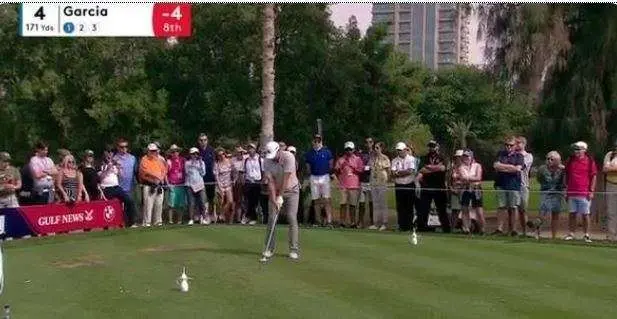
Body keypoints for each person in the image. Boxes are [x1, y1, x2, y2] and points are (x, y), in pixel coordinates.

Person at [261, 141, 301, 261]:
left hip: (292, 191)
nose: (272, 158)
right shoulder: (267, 161)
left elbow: (286, 179)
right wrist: (274, 198)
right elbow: (271, 181)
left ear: (279, 150)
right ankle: (269, 249)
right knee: (272, 218)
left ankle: (294, 249)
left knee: (291, 217)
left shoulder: (289, 157)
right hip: (277, 191)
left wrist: (281, 197)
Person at [564, 141, 597, 243]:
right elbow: (566, 174)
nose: (576, 151)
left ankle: (586, 234)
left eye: (578, 149)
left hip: (584, 192)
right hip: (571, 191)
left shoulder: (590, 161)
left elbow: (593, 176)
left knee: (585, 214)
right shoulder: (570, 160)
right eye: (575, 149)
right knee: (572, 213)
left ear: (584, 150)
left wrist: (591, 191)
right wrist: (566, 189)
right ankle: (571, 233)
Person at [493, 137, 525, 236]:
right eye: (506, 145)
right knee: (501, 206)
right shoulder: (500, 154)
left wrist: (504, 167)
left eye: (511, 145)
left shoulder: (519, 156)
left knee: (513, 207)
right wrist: (510, 167)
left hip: (514, 185)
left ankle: (514, 230)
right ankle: (499, 229)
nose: (508, 147)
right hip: (501, 184)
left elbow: (518, 169)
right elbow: (496, 166)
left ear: (515, 146)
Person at [529, 151, 565, 240]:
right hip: (546, 192)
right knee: (542, 213)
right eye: (547, 158)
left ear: (558, 160)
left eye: (551, 159)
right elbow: (539, 179)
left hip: (557, 193)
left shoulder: (562, 169)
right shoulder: (542, 169)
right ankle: (536, 232)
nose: (549, 161)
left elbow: (565, 181)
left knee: (555, 214)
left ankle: (554, 236)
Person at [417, 140, 451, 233]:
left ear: (437, 147)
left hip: (439, 186)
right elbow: (422, 170)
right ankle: (422, 228)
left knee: (442, 210)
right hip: (426, 186)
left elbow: (443, 168)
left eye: (433, 146)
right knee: (424, 209)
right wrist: (436, 168)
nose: (431, 148)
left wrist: (429, 167)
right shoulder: (424, 157)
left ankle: (446, 229)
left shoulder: (442, 157)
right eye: (430, 146)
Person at [100, 149, 138, 227]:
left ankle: (131, 223)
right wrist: (107, 169)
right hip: (106, 188)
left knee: (130, 201)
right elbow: (100, 178)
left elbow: (121, 176)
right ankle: (107, 225)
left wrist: (119, 168)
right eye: (107, 154)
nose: (109, 156)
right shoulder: (101, 165)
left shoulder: (114, 165)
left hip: (116, 187)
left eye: (111, 154)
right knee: (108, 206)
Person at [304, 134, 334, 227]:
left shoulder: (327, 152)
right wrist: (308, 178)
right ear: (312, 141)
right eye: (315, 140)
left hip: (325, 176)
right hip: (314, 177)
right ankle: (318, 221)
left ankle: (329, 221)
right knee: (316, 199)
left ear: (321, 141)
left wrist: (330, 174)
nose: (317, 142)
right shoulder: (309, 153)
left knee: (326, 199)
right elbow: (308, 167)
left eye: (318, 140)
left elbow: (331, 164)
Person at [334, 141, 364, 228]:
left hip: (354, 185)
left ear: (353, 149)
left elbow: (361, 170)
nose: (348, 151)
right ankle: (342, 222)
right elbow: (336, 170)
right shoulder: (341, 159)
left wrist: (352, 167)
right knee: (343, 204)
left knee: (353, 205)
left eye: (350, 149)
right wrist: (341, 168)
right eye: (347, 149)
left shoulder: (357, 159)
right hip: (343, 185)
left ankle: (352, 222)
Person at [139, 143, 168, 227]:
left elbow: (164, 170)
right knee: (148, 205)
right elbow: (144, 172)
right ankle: (147, 222)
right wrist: (156, 177)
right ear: (148, 151)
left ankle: (158, 221)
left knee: (159, 204)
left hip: (159, 185)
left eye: (154, 151)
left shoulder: (159, 160)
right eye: (151, 151)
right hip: (149, 185)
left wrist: (160, 179)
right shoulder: (144, 159)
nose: (153, 152)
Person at [391, 142, 417, 232]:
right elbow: (393, 174)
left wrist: (399, 173)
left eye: (400, 150)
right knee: (400, 207)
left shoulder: (411, 159)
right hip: (399, 185)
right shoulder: (394, 160)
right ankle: (401, 226)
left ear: (405, 150)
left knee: (409, 206)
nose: (399, 152)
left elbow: (410, 171)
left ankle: (409, 226)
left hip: (409, 185)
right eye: (398, 150)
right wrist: (402, 173)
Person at [458, 150, 485, 234]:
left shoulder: (477, 166)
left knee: (479, 210)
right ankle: (466, 228)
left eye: (468, 156)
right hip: (465, 189)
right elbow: (462, 178)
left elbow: (478, 177)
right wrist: (471, 178)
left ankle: (482, 229)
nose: (466, 158)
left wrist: (468, 178)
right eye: (464, 156)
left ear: (472, 157)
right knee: (464, 209)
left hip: (476, 189)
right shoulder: (461, 167)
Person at [368, 142, 390, 231]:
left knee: (383, 203)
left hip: (382, 183)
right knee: (375, 203)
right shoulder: (372, 158)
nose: (375, 149)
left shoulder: (385, 158)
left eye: (377, 148)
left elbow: (388, 170)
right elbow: (369, 168)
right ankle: (375, 223)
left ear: (381, 149)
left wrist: (387, 181)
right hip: (374, 182)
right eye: (375, 148)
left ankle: (384, 223)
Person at [516, 136, 534, 235]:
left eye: (518, 143)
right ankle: (517, 230)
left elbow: (521, 167)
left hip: (523, 185)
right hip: (513, 185)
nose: (516, 145)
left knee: (523, 209)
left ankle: (525, 231)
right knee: (514, 209)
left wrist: (510, 166)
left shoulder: (528, 156)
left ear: (523, 144)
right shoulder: (512, 155)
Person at [185, 147, 207, 225]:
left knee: (202, 202)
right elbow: (187, 172)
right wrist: (193, 164)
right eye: (193, 154)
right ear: (190, 155)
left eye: (196, 154)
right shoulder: (187, 163)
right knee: (191, 203)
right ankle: (191, 219)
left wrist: (200, 164)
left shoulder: (202, 162)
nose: (194, 155)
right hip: (190, 184)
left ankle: (204, 218)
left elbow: (203, 173)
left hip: (200, 184)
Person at [198, 133, 216, 221]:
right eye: (201, 140)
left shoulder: (211, 150)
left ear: (207, 141)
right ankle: (203, 216)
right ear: (199, 141)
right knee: (202, 199)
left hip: (211, 178)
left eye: (205, 140)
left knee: (211, 198)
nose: (203, 142)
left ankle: (211, 215)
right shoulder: (197, 152)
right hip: (200, 179)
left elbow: (214, 164)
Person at [214, 148, 235, 223]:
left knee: (230, 201)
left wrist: (234, 179)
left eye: (223, 154)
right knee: (221, 202)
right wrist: (220, 188)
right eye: (219, 155)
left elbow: (234, 171)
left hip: (228, 184)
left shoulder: (229, 162)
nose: (221, 156)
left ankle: (221, 215)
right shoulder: (216, 164)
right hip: (220, 185)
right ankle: (220, 217)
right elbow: (216, 177)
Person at [166, 144, 187, 224]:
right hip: (172, 184)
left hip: (181, 184)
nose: (175, 153)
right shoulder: (169, 161)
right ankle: (170, 220)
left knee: (181, 204)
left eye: (176, 151)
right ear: (171, 153)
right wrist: (168, 184)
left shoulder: (183, 160)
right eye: (173, 152)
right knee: (171, 204)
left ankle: (179, 220)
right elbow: (166, 174)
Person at [243, 143, 263, 226]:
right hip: (248, 182)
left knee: (254, 201)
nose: (250, 150)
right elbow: (244, 171)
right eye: (249, 148)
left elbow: (263, 171)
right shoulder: (246, 160)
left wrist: (263, 180)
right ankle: (248, 217)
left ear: (255, 150)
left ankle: (253, 218)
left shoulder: (260, 159)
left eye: (252, 148)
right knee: (248, 201)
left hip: (257, 182)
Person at [603, 140, 617, 242]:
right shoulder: (610, 155)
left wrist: (611, 168)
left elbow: (610, 168)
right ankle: (611, 236)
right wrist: (613, 168)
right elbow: (605, 169)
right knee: (611, 211)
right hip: (611, 185)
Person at [358, 137, 375, 227]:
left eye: (370, 142)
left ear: (372, 143)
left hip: (372, 181)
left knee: (372, 203)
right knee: (362, 202)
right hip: (363, 180)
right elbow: (360, 167)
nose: (368, 143)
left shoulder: (376, 154)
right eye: (367, 142)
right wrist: (368, 168)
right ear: (365, 144)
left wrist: (369, 168)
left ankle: (372, 222)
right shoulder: (361, 154)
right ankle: (360, 221)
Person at [448, 150, 464, 230]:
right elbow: (449, 179)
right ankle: (452, 228)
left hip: (464, 190)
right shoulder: (453, 167)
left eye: (460, 157)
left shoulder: (466, 167)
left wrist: (461, 189)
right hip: (454, 190)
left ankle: (466, 227)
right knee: (455, 210)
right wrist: (451, 188)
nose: (459, 159)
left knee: (465, 209)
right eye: (457, 157)